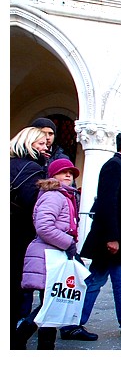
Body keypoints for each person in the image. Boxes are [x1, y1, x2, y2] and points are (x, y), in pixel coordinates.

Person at [60, 131, 121, 341]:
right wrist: (113, 237)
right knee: (118, 280)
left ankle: (73, 323)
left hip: (115, 236)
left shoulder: (120, 166)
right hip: (110, 238)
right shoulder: (114, 166)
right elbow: (108, 202)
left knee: (97, 279)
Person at [20, 159, 81, 349]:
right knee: (49, 304)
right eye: (63, 172)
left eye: (71, 172)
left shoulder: (65, 196)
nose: (68, 175)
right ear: (53, 175)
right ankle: (18, 338)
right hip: (48, 255)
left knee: (52, 304)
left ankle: (45, 347)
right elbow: (44, 227)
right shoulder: (54, 195)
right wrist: (68, 242)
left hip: (55, 254)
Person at [10, 127, 48, 349]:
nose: (46, 148)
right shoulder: (31, 169)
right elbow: (33, 206)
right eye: (41, 144)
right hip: (18, 236)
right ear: (28, 144)